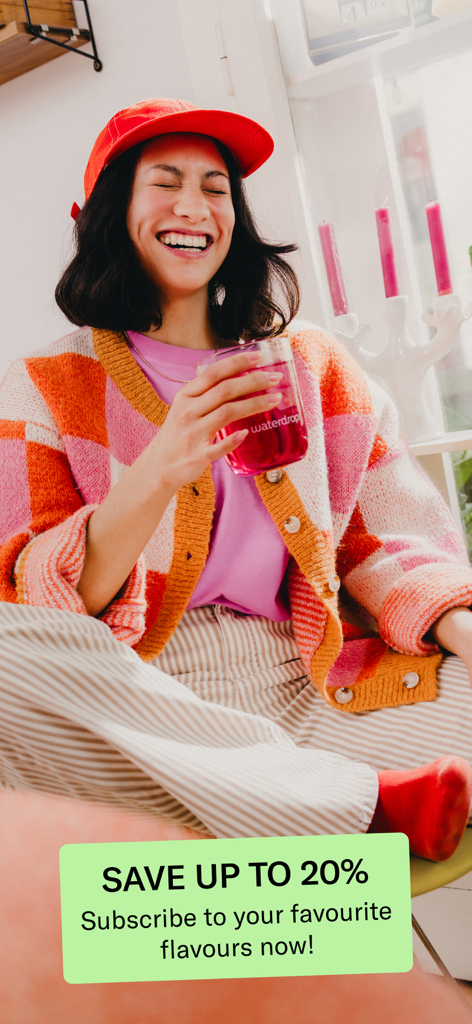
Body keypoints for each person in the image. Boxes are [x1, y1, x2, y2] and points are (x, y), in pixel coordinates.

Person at [1, 96, 472, 862]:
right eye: (165, 182)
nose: (194, 206)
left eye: (215, 187)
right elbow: (40, 600)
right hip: (145, 702)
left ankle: (304, 802)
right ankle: (362, 802)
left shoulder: (311, 363)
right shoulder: (42, 387)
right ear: (110, 212)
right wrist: (161, 467)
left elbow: (384, 537)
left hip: (314, 676)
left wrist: (461, 628)